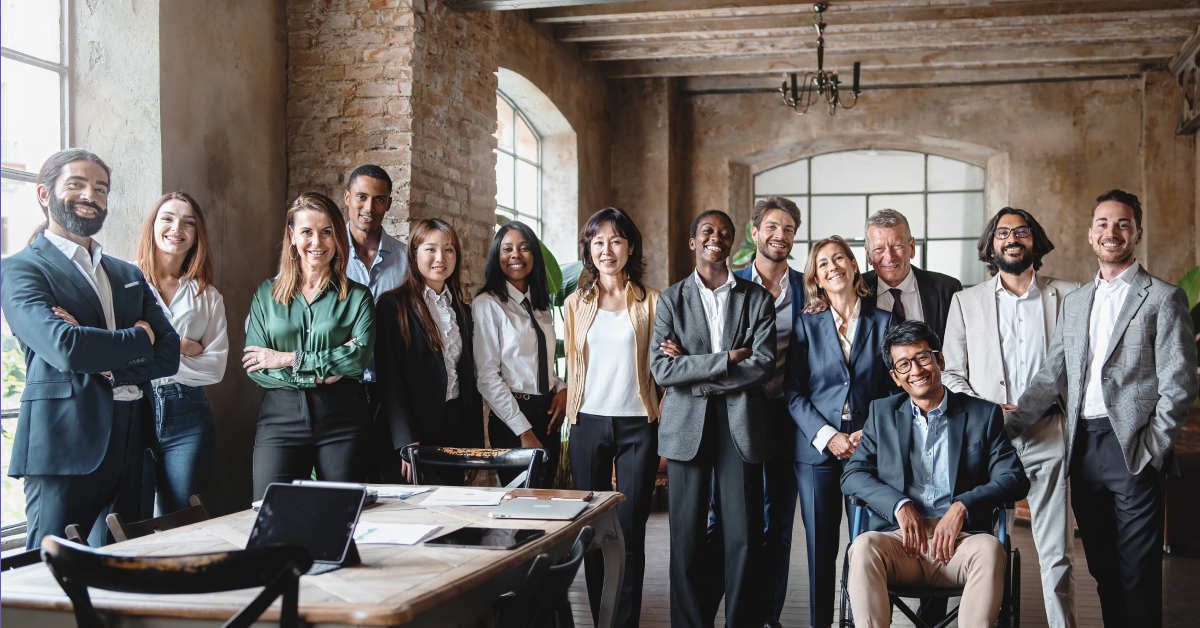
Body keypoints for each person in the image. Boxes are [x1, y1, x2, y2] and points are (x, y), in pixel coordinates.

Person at [1007, 190, 1198, 628]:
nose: (1112, 232)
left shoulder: (1162, 298)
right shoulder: (1075, 303)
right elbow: (1050, 376)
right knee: (1104, 570)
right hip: (1082, 449)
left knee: (1138, 574)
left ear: (1137, 234)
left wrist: (1153, 447)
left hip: (1133, 449)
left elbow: (1180, 381)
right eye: (1103, 224)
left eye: (1123, 224)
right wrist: (1007, 425)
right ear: (1091, 235)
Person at [2, 148, 179, 548]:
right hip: (66, 442)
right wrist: (140, 338)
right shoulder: (20, 269)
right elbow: (67, 348)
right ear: (45, 195)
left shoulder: (126, 273)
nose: (90, 196)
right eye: (77, 185)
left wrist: (109, 361)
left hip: (134, 437)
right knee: (50, 569)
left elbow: (169, 354)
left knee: (124, 560)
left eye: (100, 189)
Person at [942, 207, 1080, 628]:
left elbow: (1081, 366)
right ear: (992, 245)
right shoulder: (966, 300)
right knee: (983, 544)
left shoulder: (1071, 295)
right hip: (988, 440)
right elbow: (950, 371)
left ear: (1034, 240)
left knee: (1056, 549)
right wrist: (984, 409)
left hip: (1048, 433)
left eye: (1020, 231)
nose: (1011, 238)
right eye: (1002, 232)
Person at [842, 321, 1030, 628]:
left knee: (991, 549)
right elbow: (853, 474)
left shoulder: (983, 415)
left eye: (923, 358)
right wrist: (899, 506)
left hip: (961, 544)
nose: (915, 370)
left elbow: (1013, 478)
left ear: (939, 360)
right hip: (900, 543)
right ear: (895, 376)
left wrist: (962, 506)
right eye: (903, 364)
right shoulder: (882, 413)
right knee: (862, 547)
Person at [652, 209, 777, 628]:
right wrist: (724, 360)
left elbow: (762, 365)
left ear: (733, 242)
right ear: (693, 241)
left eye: (725, 233)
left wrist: (696, 369)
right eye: (707, 231)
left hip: (741, 427)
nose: (716, 238)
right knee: (685, 537)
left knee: (742, 537)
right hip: (687, 428)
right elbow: (663, 371)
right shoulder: (671, 299)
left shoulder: (757, 298)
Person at [706, 196, 805, 628]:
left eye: (787, 228)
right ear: (754, 232)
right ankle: (720, 609)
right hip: (736, 413)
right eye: (771, 226)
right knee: (727, 518)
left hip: (787, 413)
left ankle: (766, 616)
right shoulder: (729, 286)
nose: (779, 235)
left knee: (778, 522)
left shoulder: (808, 287)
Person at [786, 236, 895, 628]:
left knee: (865, 546)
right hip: (816, 452)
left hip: (869, 449)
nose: (832, 266)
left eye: (839, 258)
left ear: (853, 265)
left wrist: (869, 434)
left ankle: (858, 622)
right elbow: (794, 391)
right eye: (822, 263)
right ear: (815, 276)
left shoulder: (884, 322)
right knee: (820, 547)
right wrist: (828, 435)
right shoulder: (806, 325)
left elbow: (894, 390)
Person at [563, 208, 662, 628]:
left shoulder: (653, 301)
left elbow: (662, 365)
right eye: (598, 241)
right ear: (588, 247)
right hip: (587, 423)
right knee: (590, 529)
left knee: (629, 530)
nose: (607, 250)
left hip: (638, 423)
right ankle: (600, 616)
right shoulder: (574, 303)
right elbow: (570, 363)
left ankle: (624, 622)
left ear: (630, 247)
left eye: (616, 241)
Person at [244, 192, 376, 500]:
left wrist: (285, 358)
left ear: (338, 236)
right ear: (292, 235)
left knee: (342, 516)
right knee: (270, 510)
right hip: (280, 416)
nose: (317, 242)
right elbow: (255, 366)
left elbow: (356, 360)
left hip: (342, 416)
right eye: (306, 231)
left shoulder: (358, 297)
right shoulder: (265, 294)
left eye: (326, 231)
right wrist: (322, 371)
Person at [134, 192, 230, 515]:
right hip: (135, 408)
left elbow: (215, 368)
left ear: (197, 234)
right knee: (133, 514)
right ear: (153, 225)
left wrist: (153, 354)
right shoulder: (126, 282)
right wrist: (184, 347)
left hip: (188, 414)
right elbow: (119, 352)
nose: (177, 228)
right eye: (168, 218)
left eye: (188, 222)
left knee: (178, 516)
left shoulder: (208, 295)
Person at [374, 219, 483, 485]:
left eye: (449, 249)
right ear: (413, 253)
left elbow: (469, 380)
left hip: (455, 433)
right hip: (412, 436)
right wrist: (406, 444)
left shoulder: (462, 310)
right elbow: (390, 381)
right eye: (430, 249)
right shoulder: (393, 305)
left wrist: (475, 447)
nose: (440, 258)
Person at [473, 221, 568, 488]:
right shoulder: (488, 304)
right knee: (522, 506)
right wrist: (523, 430)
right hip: (513, 415)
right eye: (507, 249)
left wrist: (561, 388)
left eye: (524, 248)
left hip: (548, 414)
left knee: (545, 501)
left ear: (534, 256)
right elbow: (486, 376)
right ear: (497, 256)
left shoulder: (541, 305)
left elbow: (541, 363)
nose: (516, 254)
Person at [340, 165, 408, 482]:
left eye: (379, 200)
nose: (370, 208)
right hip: (339, 389)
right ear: (347, 197)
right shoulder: (322, 253)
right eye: (362, 197)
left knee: (392, 485)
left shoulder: (407, 260)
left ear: (389, 204)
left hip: (391, 393)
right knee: (345, 484)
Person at [863, 208, 963, 341]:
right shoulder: (856, 290)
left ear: (912, 247)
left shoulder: (947, 289)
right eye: (879, 248)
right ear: (868, 255)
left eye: (897, 246)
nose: (889, 256)